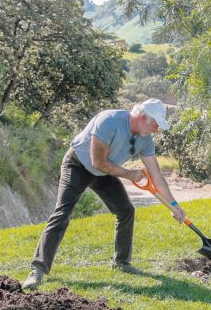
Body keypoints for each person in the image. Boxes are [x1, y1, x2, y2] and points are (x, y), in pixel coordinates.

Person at [22, 98, 185, 290]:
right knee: (62, 213)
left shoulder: (145, 139)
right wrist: (129, 174)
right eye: (155, 124)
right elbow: (97, 161)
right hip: (79, 165)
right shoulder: (109, 121)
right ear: (143, 117)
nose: (156, 130)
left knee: (126, 211)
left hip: (105, 172)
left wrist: (173, 205)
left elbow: (156, 175)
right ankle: (37, 270)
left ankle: (121, 262)